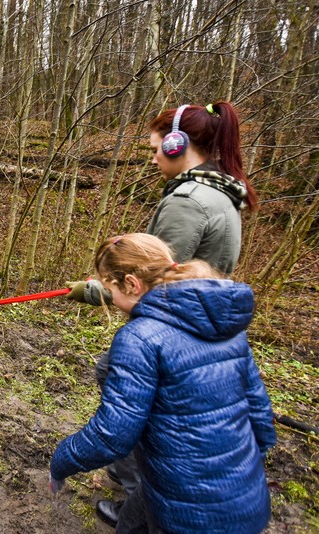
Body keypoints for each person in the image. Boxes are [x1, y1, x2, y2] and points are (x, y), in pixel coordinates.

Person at [66, 101, 259, 525]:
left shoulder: (188, 201)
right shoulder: (223, 190)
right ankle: (128, 475)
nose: (152, 157)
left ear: (177, 145)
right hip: (202, 323)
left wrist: (93, 290)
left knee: (119, 380)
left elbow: (143, 281)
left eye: (156, 148)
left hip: (172, 329)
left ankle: (140, 491)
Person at [50, 233, 276, 534]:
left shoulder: (140, 338)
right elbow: (260, 412)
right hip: (247, 496)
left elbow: (112, 435)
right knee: (132, 521)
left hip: (190, 512)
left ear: (131, 284)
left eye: (109, 289)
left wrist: (61, 461)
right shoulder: (225, 325)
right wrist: (241, 470)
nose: (110, 300)